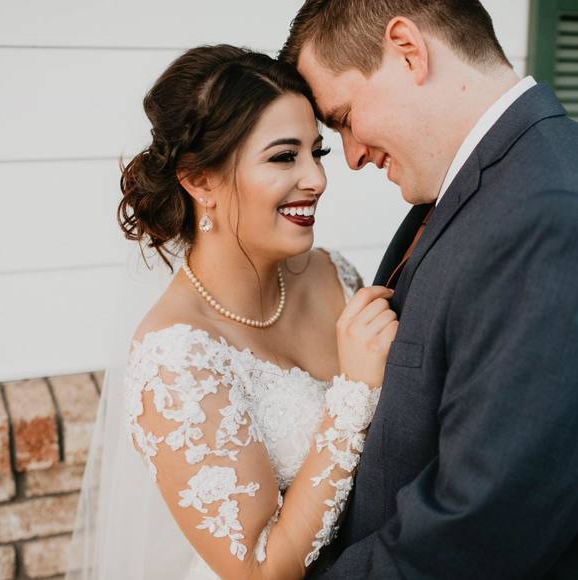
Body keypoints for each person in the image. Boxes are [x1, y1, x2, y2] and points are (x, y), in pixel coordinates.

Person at [64, 45, 399, 580]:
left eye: (317, 152)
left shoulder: (332, 274)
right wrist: (354, 395)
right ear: (200, 180)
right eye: (284, 157)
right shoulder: (174, 358)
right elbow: (258, 570)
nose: (316, 178)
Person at [279, 0, 578, 578]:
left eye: (344, 117)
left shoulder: (545, 215)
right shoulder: (478, 182)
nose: (352, 156)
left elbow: (483, 526)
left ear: (408, 50)